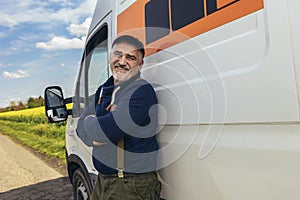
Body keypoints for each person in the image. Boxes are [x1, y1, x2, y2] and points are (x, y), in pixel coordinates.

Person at [76, 35, 161, 200]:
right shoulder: (103, 89)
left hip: (130, 184)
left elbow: (105, 131)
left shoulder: (141, 92)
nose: (122, 61)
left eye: (130, 57)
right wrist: (94, 131)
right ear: (110, 57)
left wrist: (93, 123)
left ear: (140, 64)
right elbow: (80, 127)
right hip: (104, 180)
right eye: (118, 54)